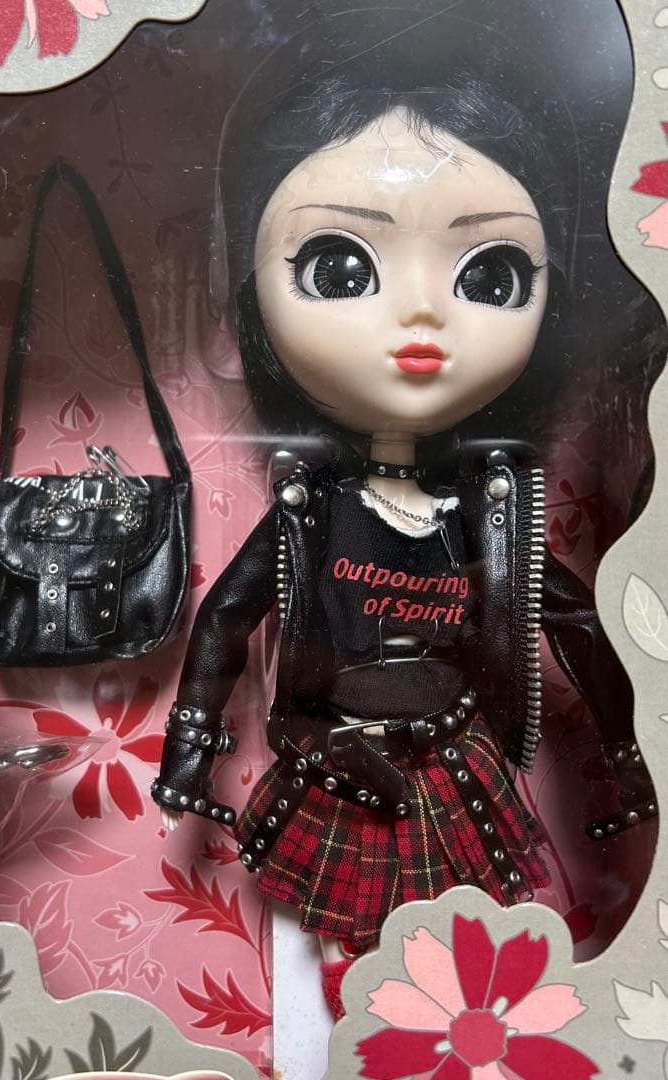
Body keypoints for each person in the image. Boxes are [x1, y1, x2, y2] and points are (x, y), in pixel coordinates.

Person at [151, 15, 656, 1018]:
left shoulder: (486, 513)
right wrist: (191, 742)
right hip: (342, 759)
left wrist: (629, 753)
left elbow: (575, 622)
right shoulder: (313, 508)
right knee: (322, 937)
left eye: (490, 275)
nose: (420, 316)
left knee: (466, 943)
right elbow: (226, 619)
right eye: (340, 268)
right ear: (247, 293)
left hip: (455, 755)